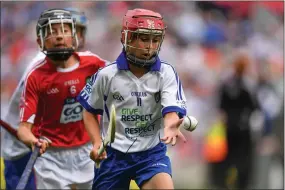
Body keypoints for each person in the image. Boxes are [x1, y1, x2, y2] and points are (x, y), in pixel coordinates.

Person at [77, 8, 188, 189]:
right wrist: (97, 142)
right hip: (113, 156)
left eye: (155, 40)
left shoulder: (166, 73)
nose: (150, 46)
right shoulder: (106, 75)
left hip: (151, 154)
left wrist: (169, 126)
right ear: (127, 38)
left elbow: (171, 110)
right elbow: (89, 111)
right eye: (144, 39)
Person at [15, 8, 106, 189]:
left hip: (88, 151)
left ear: (74, 36)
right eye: (52, 32)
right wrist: (34, 141)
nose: (58, 37)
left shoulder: (94, 64)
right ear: (40, 40)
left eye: (64, 30)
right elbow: (23, 129)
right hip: (51, 159)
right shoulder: (35, 75)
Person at [1, 8, 89, 190]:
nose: (67, 37)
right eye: (58, 30)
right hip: (24, 151)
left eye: (74, 31)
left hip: (54, 150)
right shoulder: (42, 65)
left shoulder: (80, 64)